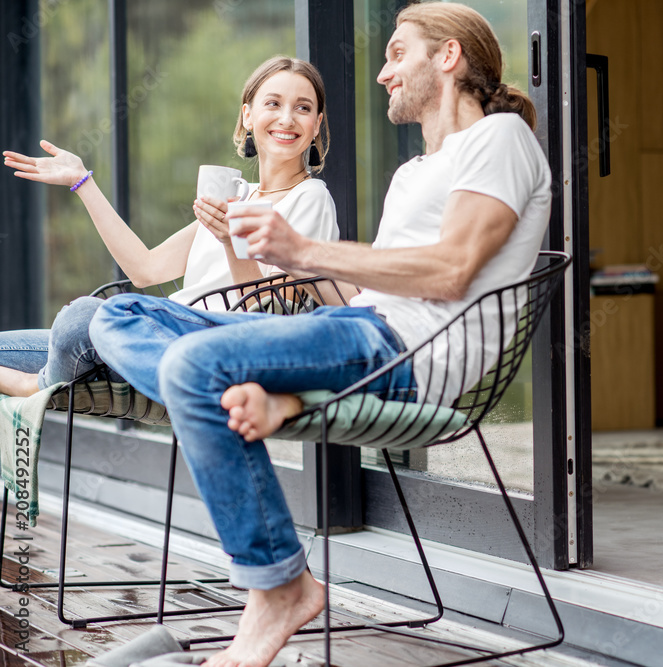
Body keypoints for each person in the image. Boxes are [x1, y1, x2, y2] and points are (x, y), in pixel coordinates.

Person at [90, 4, 552, 666]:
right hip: (353, 328)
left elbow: (451, 271)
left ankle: (281, 583)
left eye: (397, 53)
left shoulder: (500, 139)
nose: (383, 73)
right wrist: (278, 260)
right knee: (117, 316)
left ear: (447, 58)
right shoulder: (417, 171)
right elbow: (362, 295)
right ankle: (268, 394)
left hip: (404, 351)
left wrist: (303, 251)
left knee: (192, 366)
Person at [0, 55, 338, 397]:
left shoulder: (310, 198)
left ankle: (38, 386)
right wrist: (82, 182)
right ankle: (66, 370)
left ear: (316, 123)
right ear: (247, 116)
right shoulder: (240, 196)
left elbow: (265, 318)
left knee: (82, 317)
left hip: (205, 349)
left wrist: (231, 240)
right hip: (154, 338)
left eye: (303, 108)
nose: (287, 118)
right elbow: (145, 270)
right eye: (273, 103)